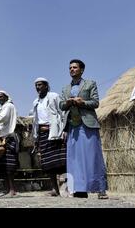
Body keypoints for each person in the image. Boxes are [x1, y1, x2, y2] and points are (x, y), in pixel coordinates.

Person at [59, 59, 108, 199]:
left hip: (88, 125)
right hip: (73, 127)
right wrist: (67, 103)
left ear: (81, 70)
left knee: (93, 157)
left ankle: (100, 189)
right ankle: (80, 190)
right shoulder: (65, 88)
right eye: (70, 68)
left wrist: (83, 102)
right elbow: (61, 105)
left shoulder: (90, 84)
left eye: (75, 67)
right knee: (74, 160)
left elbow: (96, 102)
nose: (72, 69)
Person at [32, 77, 66, 196]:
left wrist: (64, 130)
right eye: (36, 85)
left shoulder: (54, 96)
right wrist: (36, 138)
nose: (38, 87)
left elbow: (62, 113)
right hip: (42, 134)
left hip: (55, 132)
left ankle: (67, 188)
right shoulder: (35, 102)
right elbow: (35, 121)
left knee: (61, 161)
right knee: (47, 164)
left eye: (40, 85)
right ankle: (55, 189)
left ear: (46, 86)